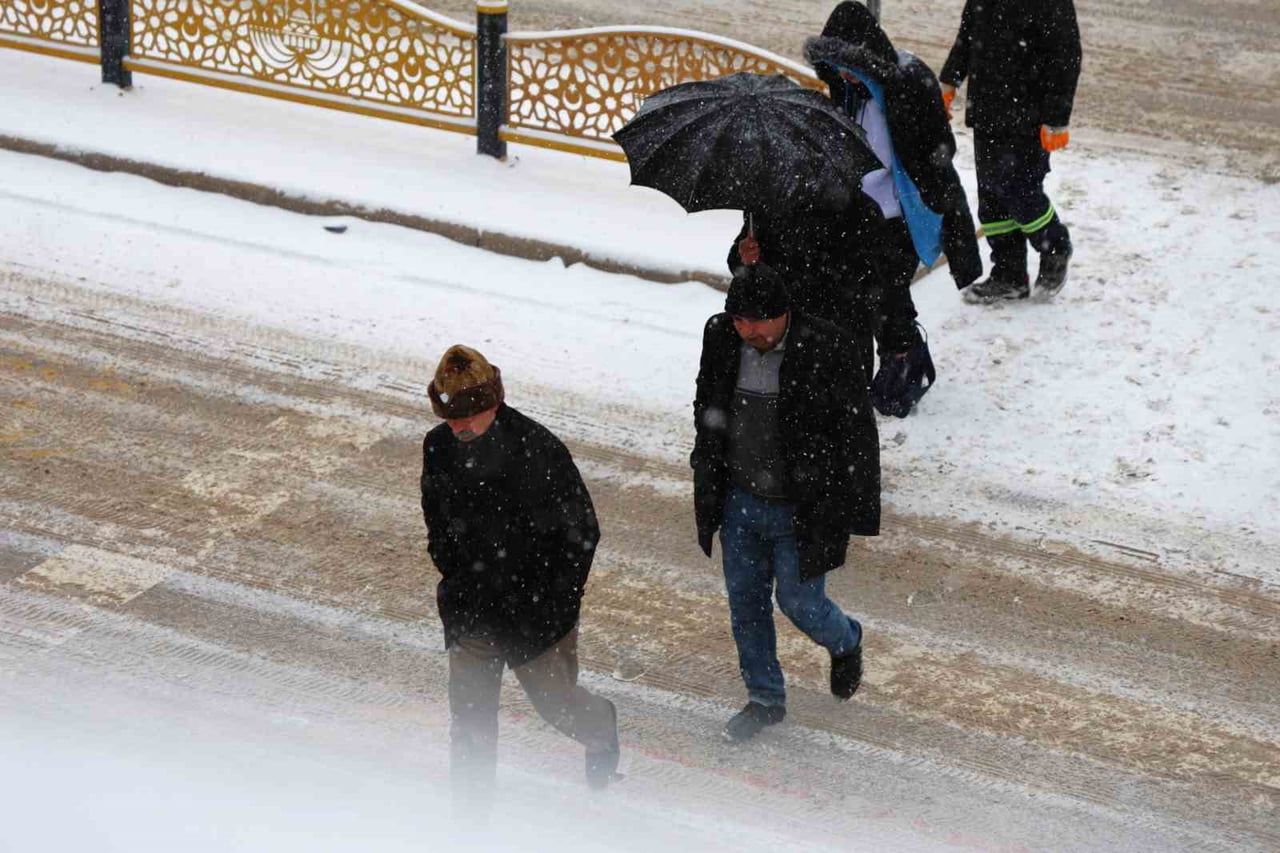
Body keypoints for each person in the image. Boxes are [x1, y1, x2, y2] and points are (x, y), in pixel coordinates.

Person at [419, 344, 620, 812]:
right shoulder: (437, 446)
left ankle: (601, 728)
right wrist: (452, 567)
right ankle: (470, 829)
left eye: (469, 415)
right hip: (471, 609)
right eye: (451, 417)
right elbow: (437, 518)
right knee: (469, 725)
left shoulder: (538, 450)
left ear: (494, 402)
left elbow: (582, 534)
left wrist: (554, 602)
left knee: (558, 707)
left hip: (534, 615)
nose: (460, 427)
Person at [691, 265, 879, 743]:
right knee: (746, 604)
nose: (748, 331)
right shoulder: (721, 336)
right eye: (739, 320)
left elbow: (856, 433)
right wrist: (706, 459)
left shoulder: (827, 346)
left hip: (802, 508)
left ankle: (845, 640)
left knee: (800, 603)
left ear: (785, 314)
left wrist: (855, 505)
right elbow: (706, 400)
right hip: (739, 502)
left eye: (759, 321)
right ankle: (765, 699)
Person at [804, 0, 983, 417]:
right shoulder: (848, 90)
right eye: (835, 65)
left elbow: (938, 152)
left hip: (901, 212)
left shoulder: (907, 86)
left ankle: (904, 356)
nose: (843, 74)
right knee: (862, 293)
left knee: (885, 291)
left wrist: (935, 201)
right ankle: (895, 355)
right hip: (859, 209)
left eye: (848, 65)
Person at [940, 0, 1082, 303]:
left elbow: (1066, 57)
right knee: (991, 197)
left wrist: (1057, 119)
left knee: (1019, 189)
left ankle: (1055, 248)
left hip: (1029, 115)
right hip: (988, 108)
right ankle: (1008, 274)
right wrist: (949, 80)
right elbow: (967, 36)